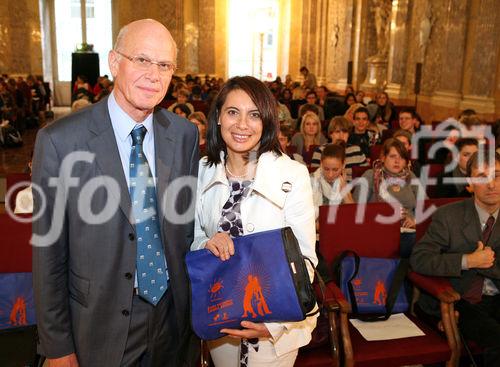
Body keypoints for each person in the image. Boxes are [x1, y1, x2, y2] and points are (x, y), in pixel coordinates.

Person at [32, 19, 200, 367]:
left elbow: (185, 228)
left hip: (172, 321)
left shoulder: (184, 135)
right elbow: (48, 256)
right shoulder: (60, 141)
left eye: (165, 64)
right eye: (142, 59)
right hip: (97, 328)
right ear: (113, 63)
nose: (154, 75)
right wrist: (58, 348)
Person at [190, 76, 317, 367]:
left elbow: (306, 258)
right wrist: (207, 243)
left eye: (254, 114)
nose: (242, 124)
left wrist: (273, 325)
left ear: (267, 121)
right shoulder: (200, 171)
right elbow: (192, 236)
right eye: (233, 112)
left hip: (276, 330)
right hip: (221, 323)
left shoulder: (293, 174)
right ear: (218, 117)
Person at [410, 150, 500, 367]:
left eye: (497, 175)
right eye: (482, 177)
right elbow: (419, 259)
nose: (491, 184)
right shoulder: (448, 215)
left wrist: (484, 264)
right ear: (469, 183)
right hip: (460, 299)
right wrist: (467, 261)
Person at [354, 138, 426, 257]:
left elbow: (425, 205)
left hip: (408, 230)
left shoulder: (411, 177)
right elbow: (356, 210)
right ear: (383, 158)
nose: (397, 161)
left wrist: (415, 222)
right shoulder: (370, 176)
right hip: (379, 230)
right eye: (393, 156)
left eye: (402, 157)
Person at [310, 116, 368, 181]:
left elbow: (365, 174)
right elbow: (315, 176)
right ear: (331, 134)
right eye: (337, 132)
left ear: (348, 134)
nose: (341, 135)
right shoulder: (320, 150)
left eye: (344, 132)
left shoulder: (357, 150)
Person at [311, 143, 354, 219]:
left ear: (343, 165)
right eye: (326, 169)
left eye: (335, 170)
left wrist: (345, 192)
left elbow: (353, 215)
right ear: (321, 164)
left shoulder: (343, 181)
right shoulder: (310, 181)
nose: (330, 174)